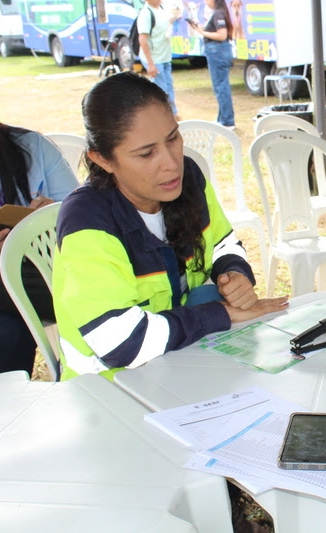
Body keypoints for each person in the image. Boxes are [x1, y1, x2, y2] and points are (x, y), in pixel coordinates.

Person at [52, 72, 287, 381]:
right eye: (147, 153)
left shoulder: (186, 179)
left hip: (174, 362)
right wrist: (223, 313)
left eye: (173, 138)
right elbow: (123, 344)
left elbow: (223, 242)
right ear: (104, 160)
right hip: (109, 386)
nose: (171, 163)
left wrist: (234, 273)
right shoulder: (88, 221)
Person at [0, 80, 78, 376]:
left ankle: (89, 389)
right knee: (8, 335)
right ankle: (4, 413)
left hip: (45, 270)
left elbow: (79, 206)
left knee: (95, 312)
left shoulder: (31, 146)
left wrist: (53, 212)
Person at [190, 0, 235, 130]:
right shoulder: (218, 13)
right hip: (218, 52)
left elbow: (222, 35)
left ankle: (227, 121)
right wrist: (200, 28)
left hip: (218, 52)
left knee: (221, 86)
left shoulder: (218, 14)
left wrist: (203, 33)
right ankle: (223, 118)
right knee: (220, 86)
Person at [138, 0, 181, 120]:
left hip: (165, 57)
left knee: (168, 87)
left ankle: (172, 113)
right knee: (161, 90)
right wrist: (150, 63)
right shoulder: (146, 14)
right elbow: (142, 38)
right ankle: (165, 117)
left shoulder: (162, 9)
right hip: (155, 59)